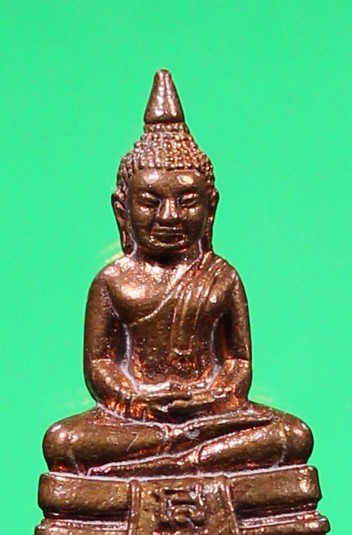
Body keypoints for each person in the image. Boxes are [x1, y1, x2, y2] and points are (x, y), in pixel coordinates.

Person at [43, 70, 312, 477]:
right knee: (63, 442)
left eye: (187, 201)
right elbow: (99, 365)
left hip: (211, 418)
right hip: (136, 421)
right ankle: (184, 456)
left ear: (211, 207)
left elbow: (238, 362)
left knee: (292, 436)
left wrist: (212, 397)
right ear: (121, 210)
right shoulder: (112, 282)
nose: (169, 216)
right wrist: (139, 400)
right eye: (150, 202)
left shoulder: (222, 277)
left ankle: (178, 460)